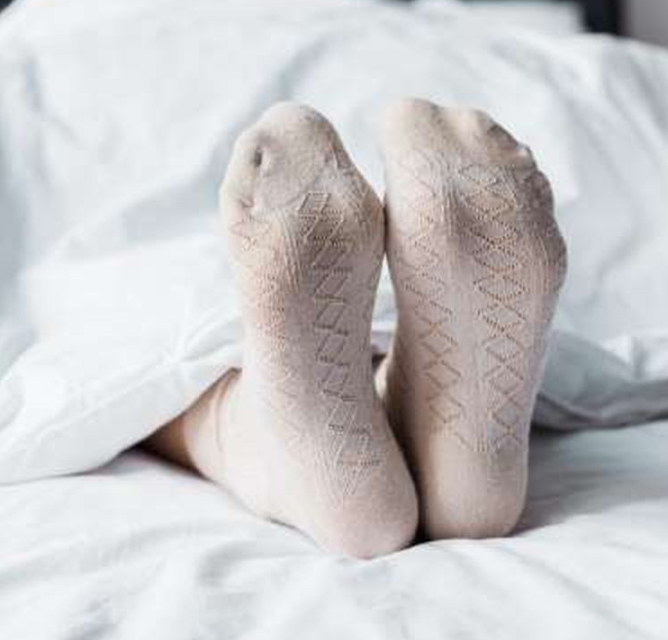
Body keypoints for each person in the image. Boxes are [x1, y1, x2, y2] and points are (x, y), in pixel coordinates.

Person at [144, 99, 567, 558]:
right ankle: (465, 473)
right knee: (386, 349)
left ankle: (273, 436)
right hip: (387, 316)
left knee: (153, 372)